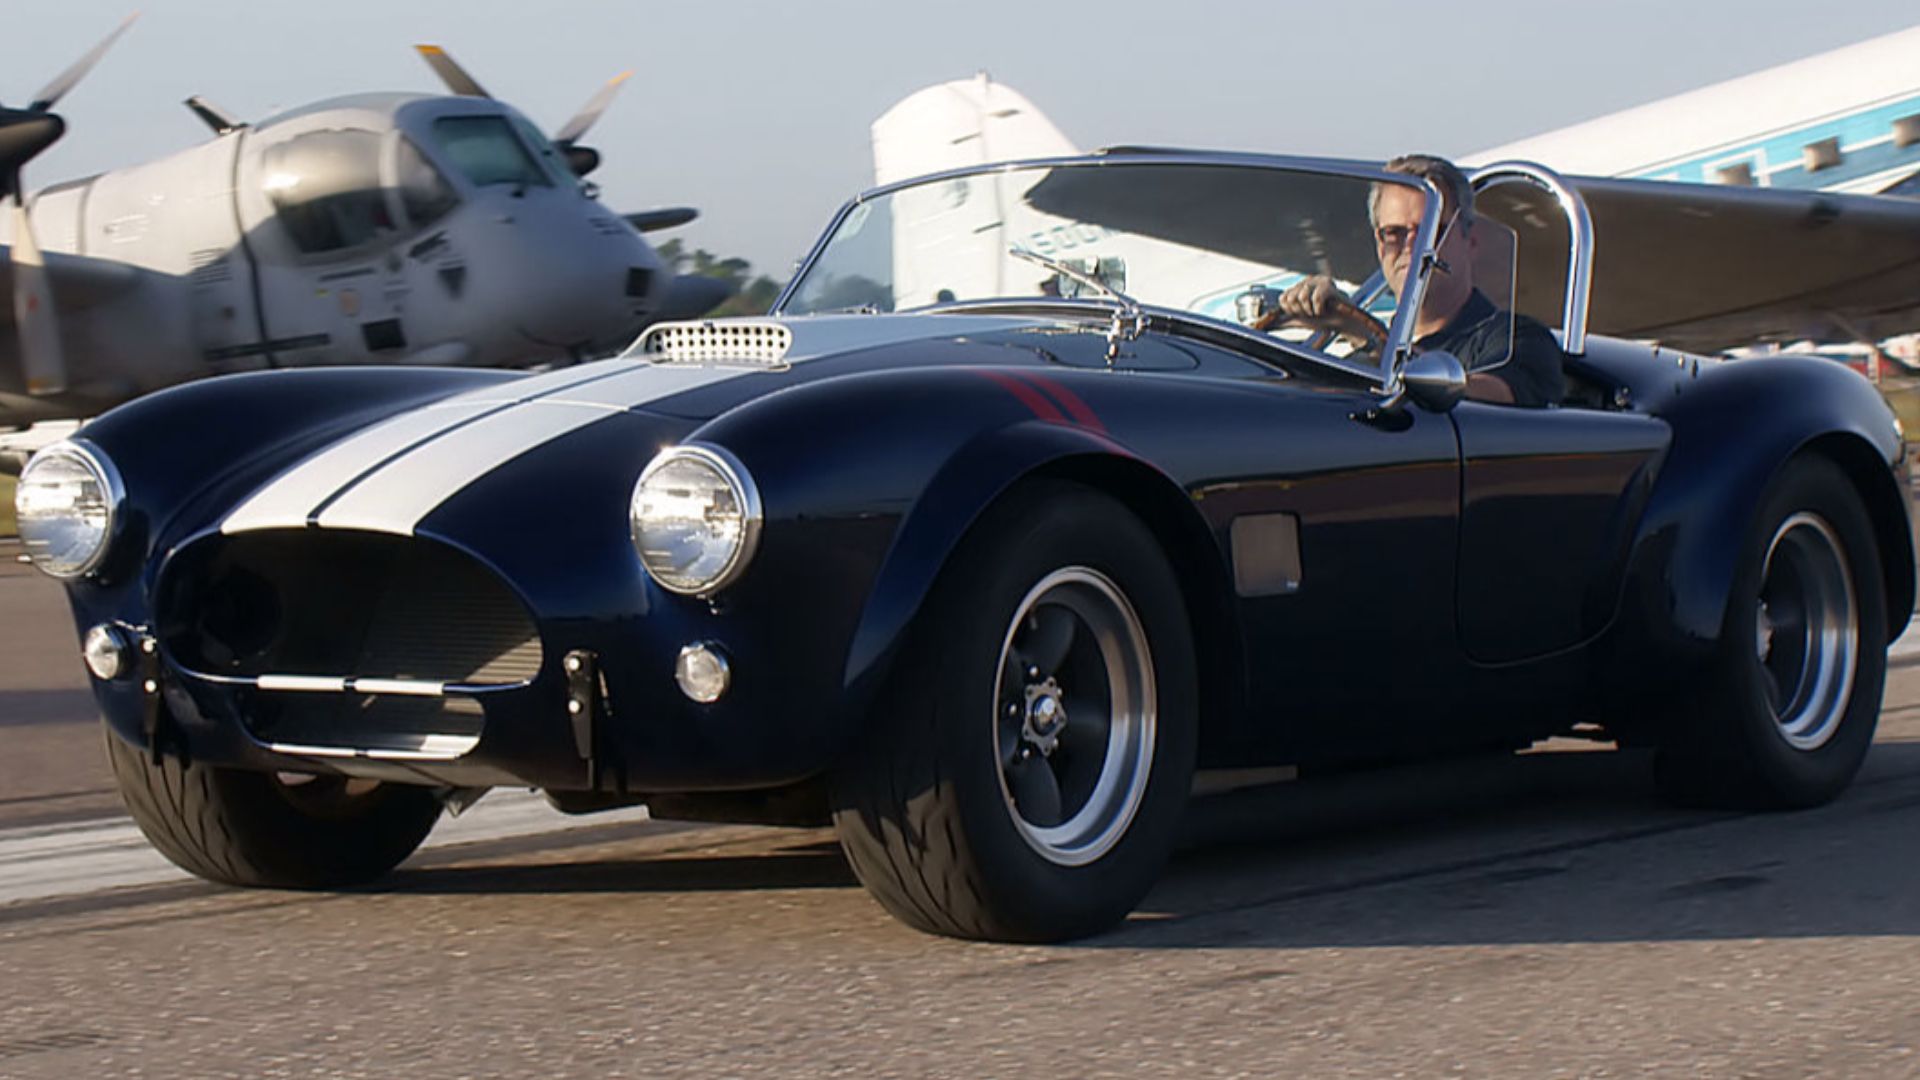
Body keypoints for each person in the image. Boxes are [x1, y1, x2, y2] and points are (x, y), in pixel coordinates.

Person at [1275, 154, 1564, 407]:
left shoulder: (1514, 339)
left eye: (1431, 231)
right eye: (1395, 233)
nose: (1412, 246)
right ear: (1379, 243)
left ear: (1469, 240)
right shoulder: (1355, 361)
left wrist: (1366, 336)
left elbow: (1498, 395)